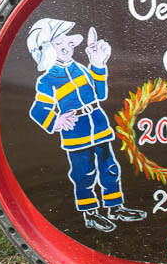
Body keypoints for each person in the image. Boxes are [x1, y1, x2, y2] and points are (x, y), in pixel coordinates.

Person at [26, 18, 146, 233]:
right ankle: (90, 213)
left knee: (109, 168)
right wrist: (56, 121)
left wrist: (98, 65)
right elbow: (38, 110)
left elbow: (100, 94)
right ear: (46, 50)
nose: (65, 49)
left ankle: (115, 207)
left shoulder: (79, 68)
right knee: (84, 174)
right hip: (76, 135)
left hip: (99, 127)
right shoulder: (47, 80)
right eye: (58, 45)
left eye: (67, 43)